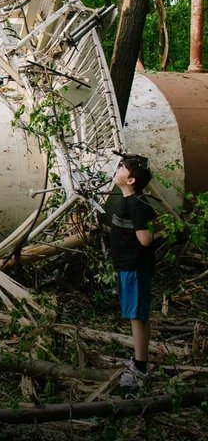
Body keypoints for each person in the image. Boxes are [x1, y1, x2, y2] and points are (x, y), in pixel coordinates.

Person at [109, 154, 156, 389]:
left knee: (137, 316)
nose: (118, 169)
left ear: (131, 180)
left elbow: (145, 239)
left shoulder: (136, 204)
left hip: (134, 268)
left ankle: (140, 367)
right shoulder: (129, 201)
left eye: (122, 168)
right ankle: (140, 360)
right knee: (136, 315)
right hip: (128, 267)